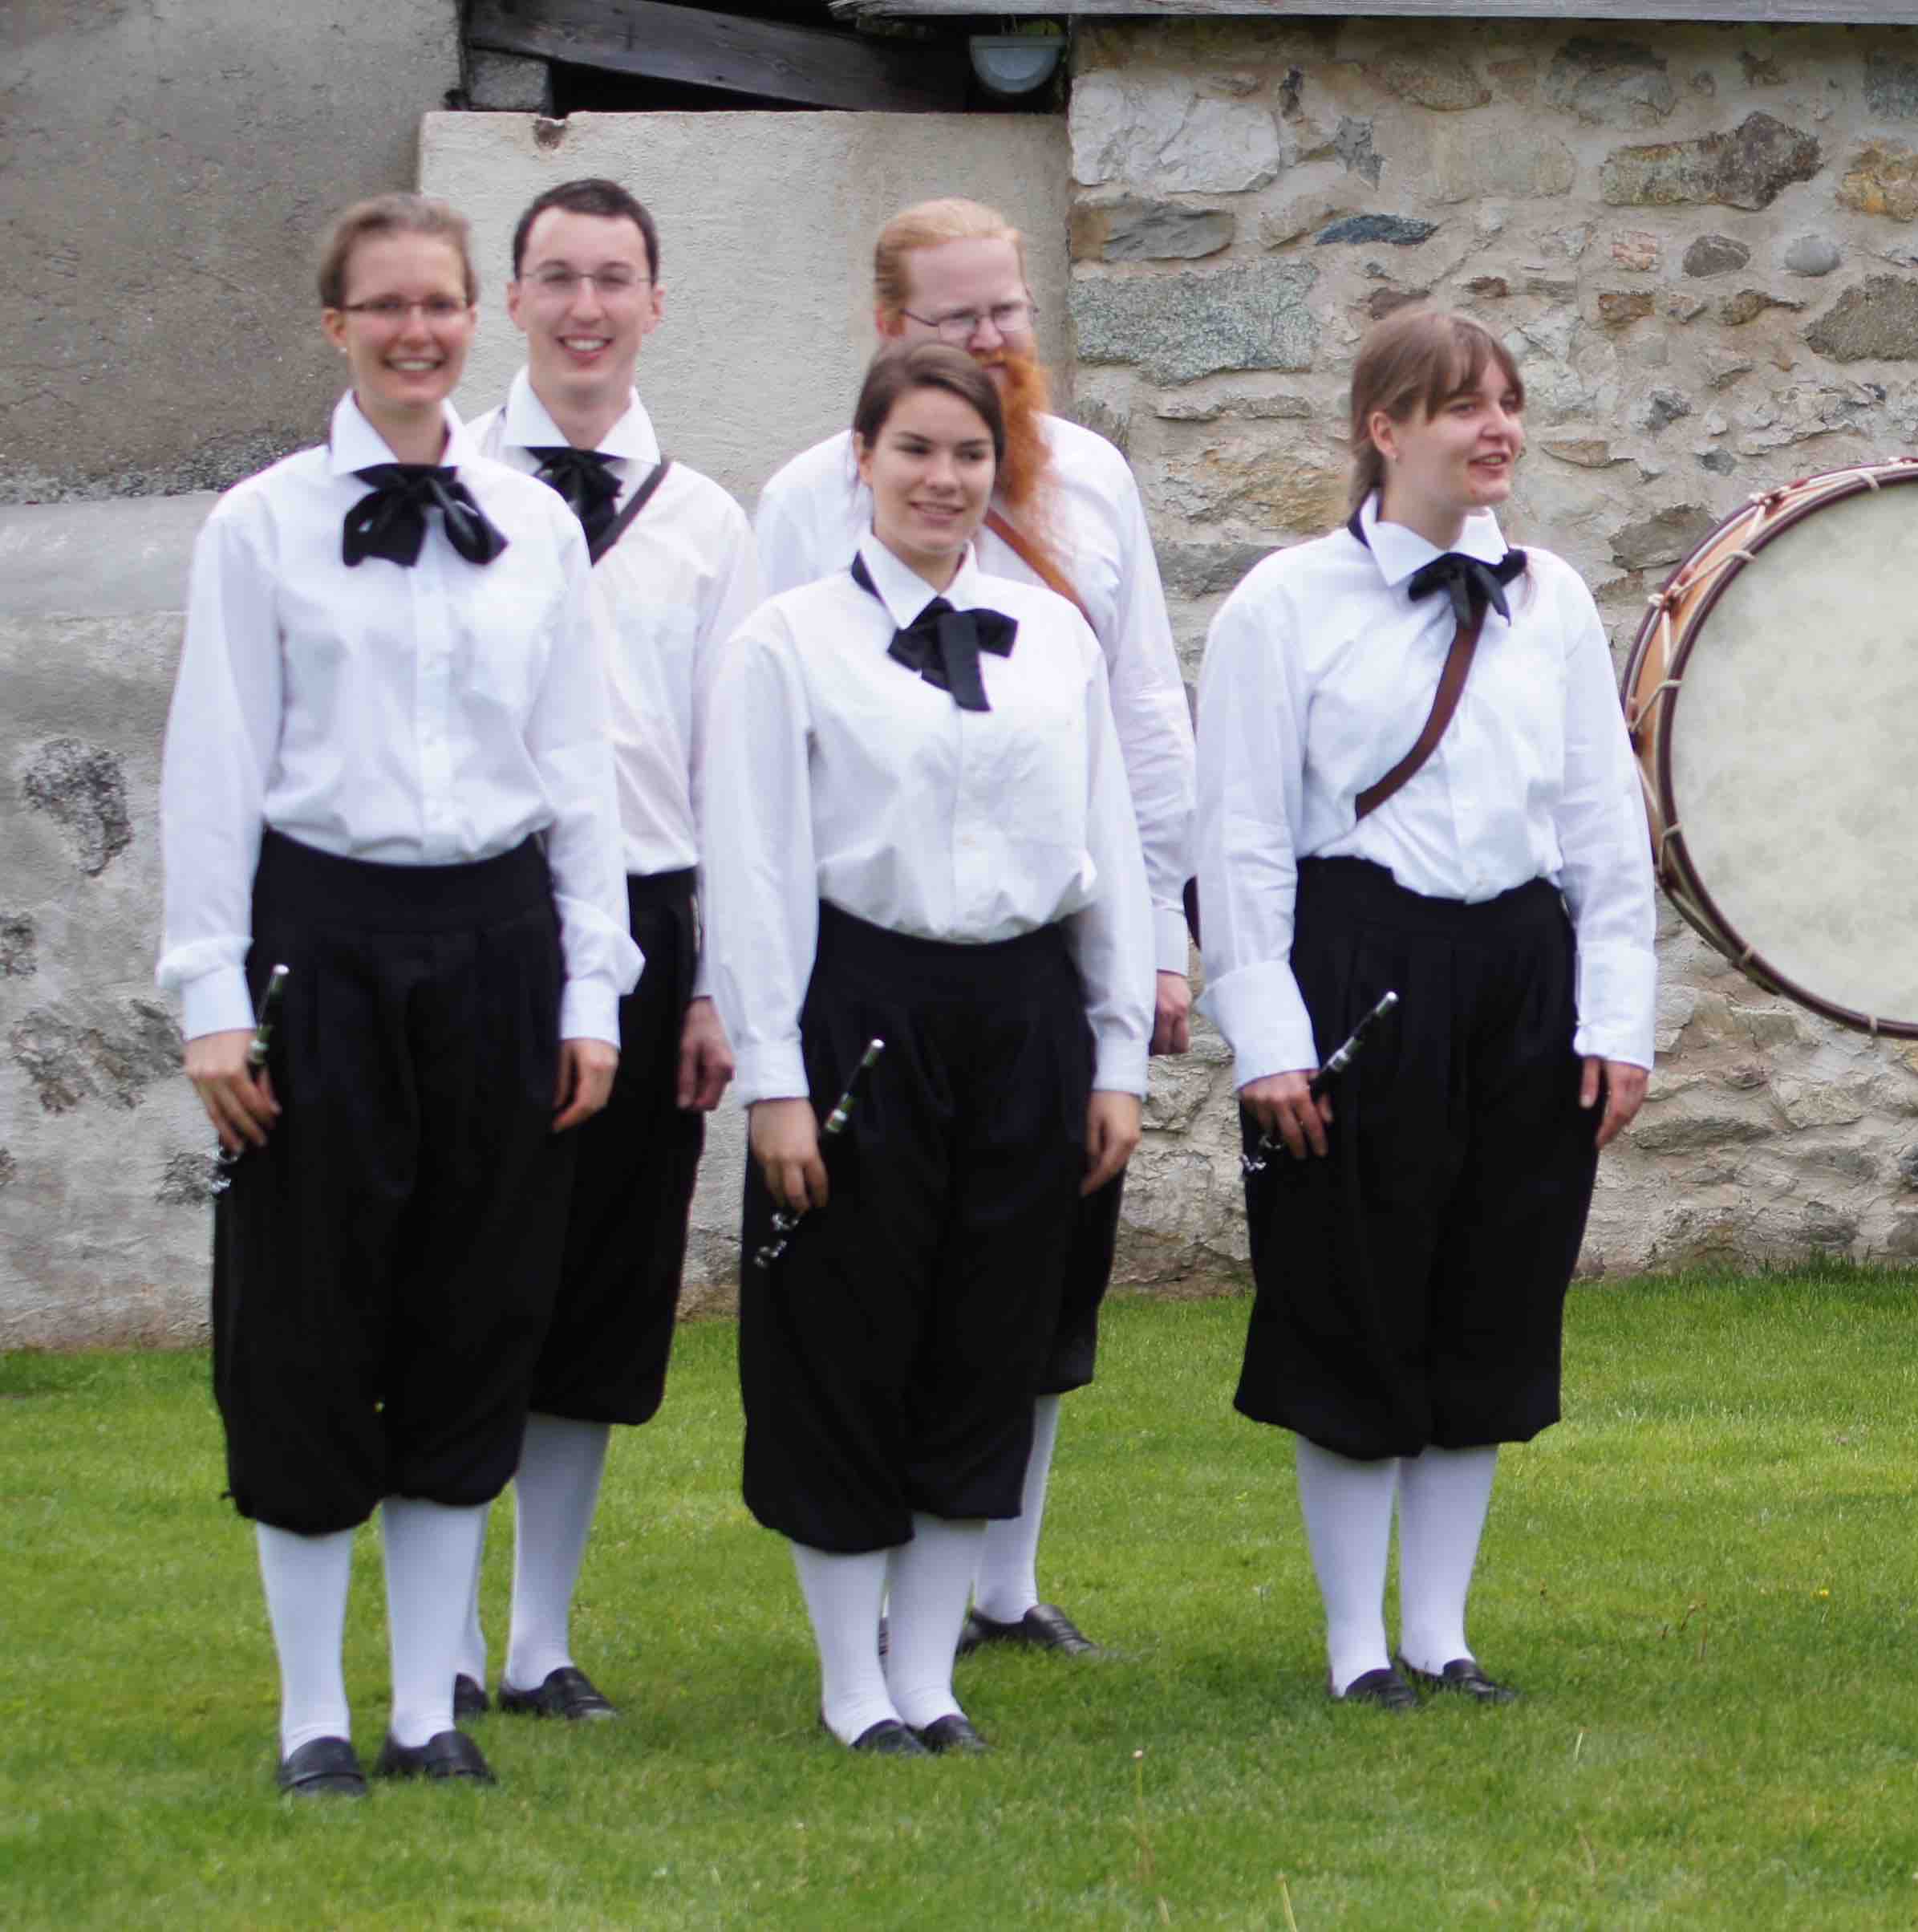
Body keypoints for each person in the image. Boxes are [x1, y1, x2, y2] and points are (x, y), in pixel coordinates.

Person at [160, 193, 635, 1795]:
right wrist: (211, 994)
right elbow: (214, 765)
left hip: (499, 941)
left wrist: (593, 989)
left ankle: (429, 1709)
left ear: (469, 320)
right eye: (386, 307)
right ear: (337, 327)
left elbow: (577, 768)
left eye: (439, 304)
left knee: (474, 1308)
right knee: (305, 1316)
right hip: (323, 941)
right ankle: (314, 1713)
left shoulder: (538, 527)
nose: (417, 332)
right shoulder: (258, 527)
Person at [748, 200, 1194, 1658]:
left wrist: (1158, 938)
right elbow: (755, 760)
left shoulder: (1096, 481)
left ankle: (1000, 1582)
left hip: (1043, 946)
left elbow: (1140, 714)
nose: (996, 338)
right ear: (890, 330)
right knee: (876, 1288)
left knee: (1032, 1276)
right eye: (960, 317)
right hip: (873, 959)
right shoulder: (805, 503)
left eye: (1011, 309)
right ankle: (875, 1596)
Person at [1193, 308, 1655, 1707]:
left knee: (1491, 1295)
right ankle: (1356, 1645)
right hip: (1359, 962)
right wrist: (1268, 1037)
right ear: (1383, 429)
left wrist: (1615, 1019)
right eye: (1461, 405)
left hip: (1521, 966)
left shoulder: (1553, 598)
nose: (1495, 427)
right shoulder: (1282, 604)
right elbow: (1240, 840)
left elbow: (1603, 824)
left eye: (1506, 401)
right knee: (1353, 1295)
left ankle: (1443, 1636)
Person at [448, 176, 756, 1724]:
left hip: (647, 916)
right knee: (460, 1272)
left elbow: (728, 770)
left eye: (614, 279)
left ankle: (537, 1636)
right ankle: (438, 1634)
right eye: (557, 278)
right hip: (481, 915)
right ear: (513, 301)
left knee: (599, 1284)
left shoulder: (707, 521)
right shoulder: (447, 487)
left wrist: (713, 986)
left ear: (654, 303)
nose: (585, 308)